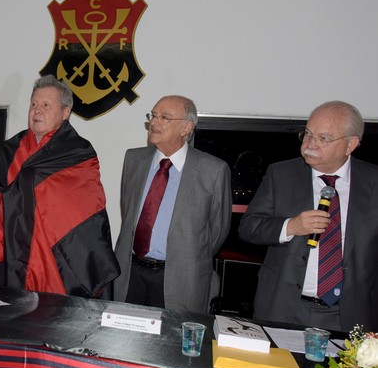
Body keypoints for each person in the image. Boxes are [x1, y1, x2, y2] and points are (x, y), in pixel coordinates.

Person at [0, 75, 119, 297]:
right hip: (4, 253)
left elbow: (81, 209)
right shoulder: (12, 148)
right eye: (33, 104)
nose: (37, 110)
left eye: (46, 105)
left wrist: (12, 200)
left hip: (51, 258)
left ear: (65, 113)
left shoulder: (77, 153)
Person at [239, 101, 378, 332]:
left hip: (350, 314)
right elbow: (248, 227)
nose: (310, 145)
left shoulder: (373, 182)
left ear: (350, 144)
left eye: (323, 138)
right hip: (284, 308)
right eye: (308, 134)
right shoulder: (281, 174)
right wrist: (290, 226)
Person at [113, 95, 231, 313]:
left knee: (172, 344)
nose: (155, 122)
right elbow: (128, 211)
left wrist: (185, 254)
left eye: (165, 117)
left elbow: (217, 232)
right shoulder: (134, 160)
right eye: (153, 116)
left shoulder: (212, 171)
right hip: (131, 273)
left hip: (180, 278)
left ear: (186, 128)